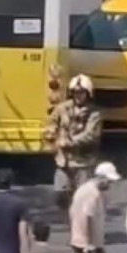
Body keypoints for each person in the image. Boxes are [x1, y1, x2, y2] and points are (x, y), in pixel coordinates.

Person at [47, 74, 103, 207]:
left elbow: (90, 135)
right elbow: (51, 123)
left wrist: (69, 142)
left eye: (82, 93)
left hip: (83, 163)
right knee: (61, 196)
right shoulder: (62, 108)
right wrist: (51, 134)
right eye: (76, 92)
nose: (79, 95)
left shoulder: (94, 113)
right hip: (63, 161)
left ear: (88, 94)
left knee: (83, 198)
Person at [69, 161, 121, 253]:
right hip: (87, 244)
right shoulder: (92, 193)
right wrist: (89, 245)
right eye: (109, 181)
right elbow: (87, 219)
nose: (110, 184)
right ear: (100, 178)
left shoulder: (89, 189)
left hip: (89, 242)